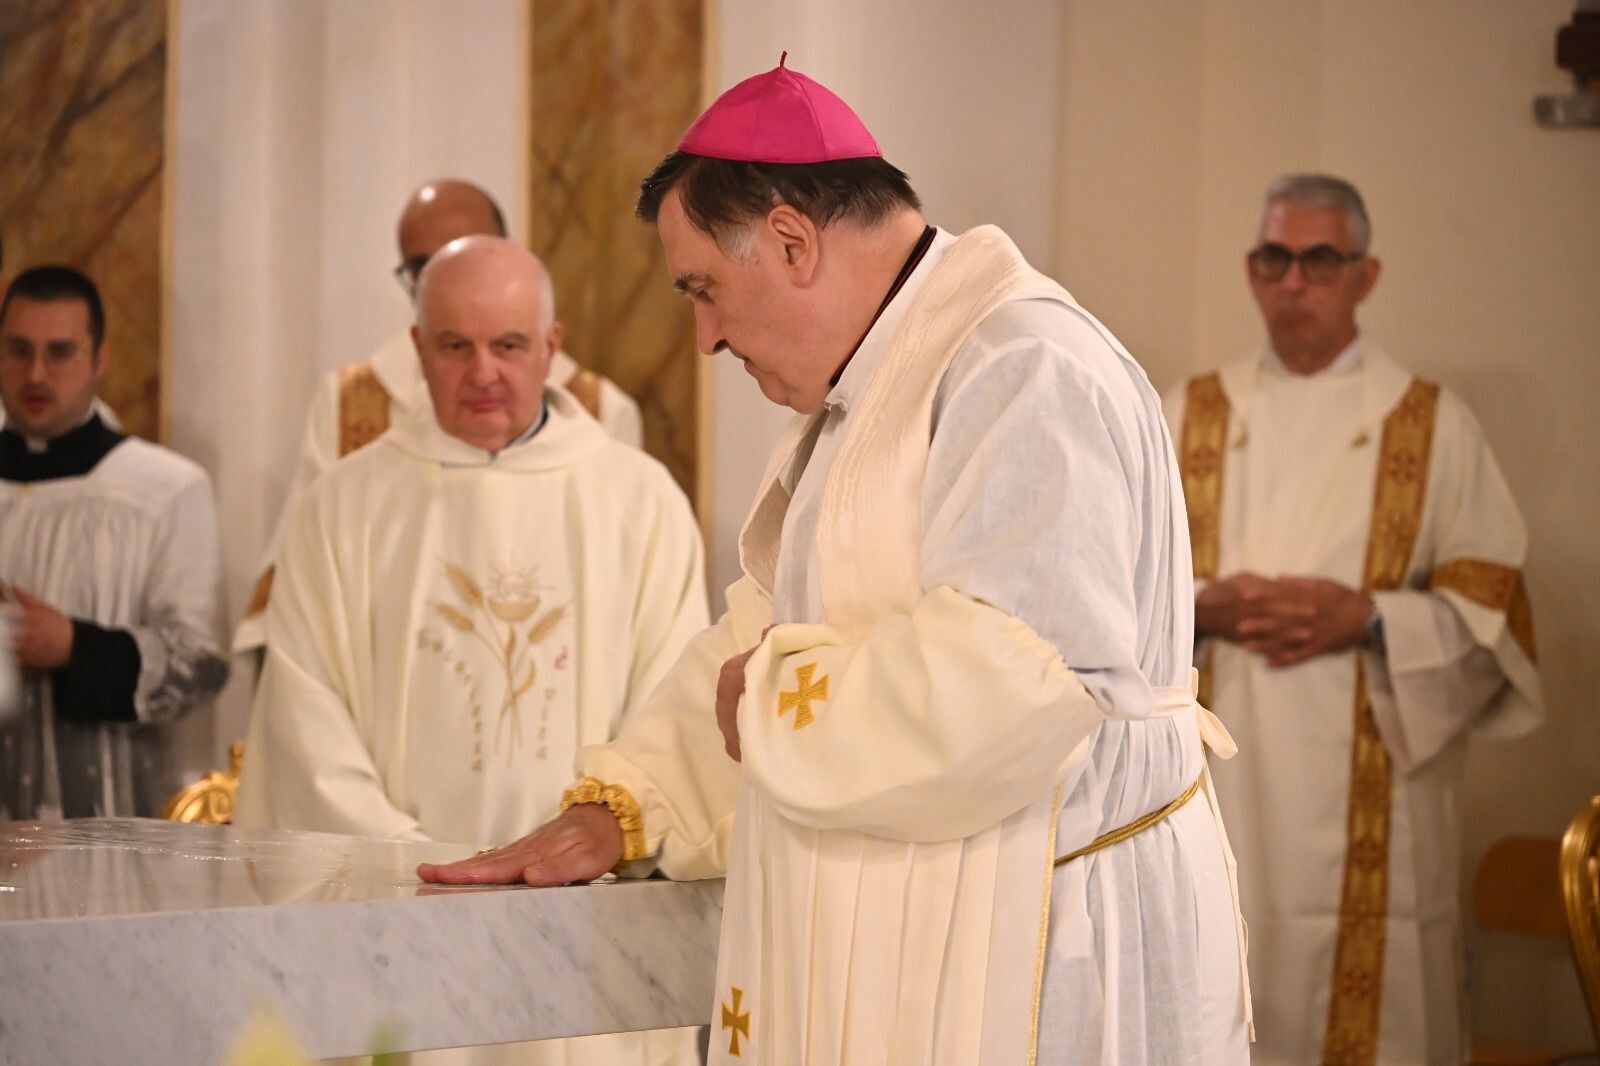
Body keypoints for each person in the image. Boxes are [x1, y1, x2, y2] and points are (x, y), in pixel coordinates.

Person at [422, 59, 1252, 1064]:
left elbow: (1020, 677)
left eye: (705, 290)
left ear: (789, 239)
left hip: (1046, 932)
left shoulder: (1021, 366)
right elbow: (769, 626)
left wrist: (771, 694)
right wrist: (629, 802)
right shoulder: (875, 387)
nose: (705, 335)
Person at [233, 236, 706, 1066]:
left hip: (582, 938)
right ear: (417, 348)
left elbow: (671, 723)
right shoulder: (343, 508)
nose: (483, 371)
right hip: (397, 930)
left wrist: (574, 860)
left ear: (552, 350)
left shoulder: (642, 504)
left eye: (509, 345)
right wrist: (425, 879)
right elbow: (305, 732)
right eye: (455, 346)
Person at [1163, 174, 1543, 1065]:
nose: (1293, 281)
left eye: (1319, 260)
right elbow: (1106, 587)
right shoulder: (1186, 415)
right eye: (1274, 259)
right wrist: (1203, 605)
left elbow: (1496, 616)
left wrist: (1370, 619)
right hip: (1218, 793)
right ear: (1253, 272)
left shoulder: (1432, 425)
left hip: (1375, 804)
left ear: (1365, 275)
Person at [234, 179, 641, 652]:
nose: (448, 271)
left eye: (467, 249)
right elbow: (302, 583)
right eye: (421, 265)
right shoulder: (349, 403)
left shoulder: (600, 413)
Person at [0, 265, 229, 819]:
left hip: (108, 814)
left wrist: (73, 647)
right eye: (17, 350)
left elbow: (200, 662)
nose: (36, 373)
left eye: (60, 352)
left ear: (99, 358)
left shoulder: (168, 489)